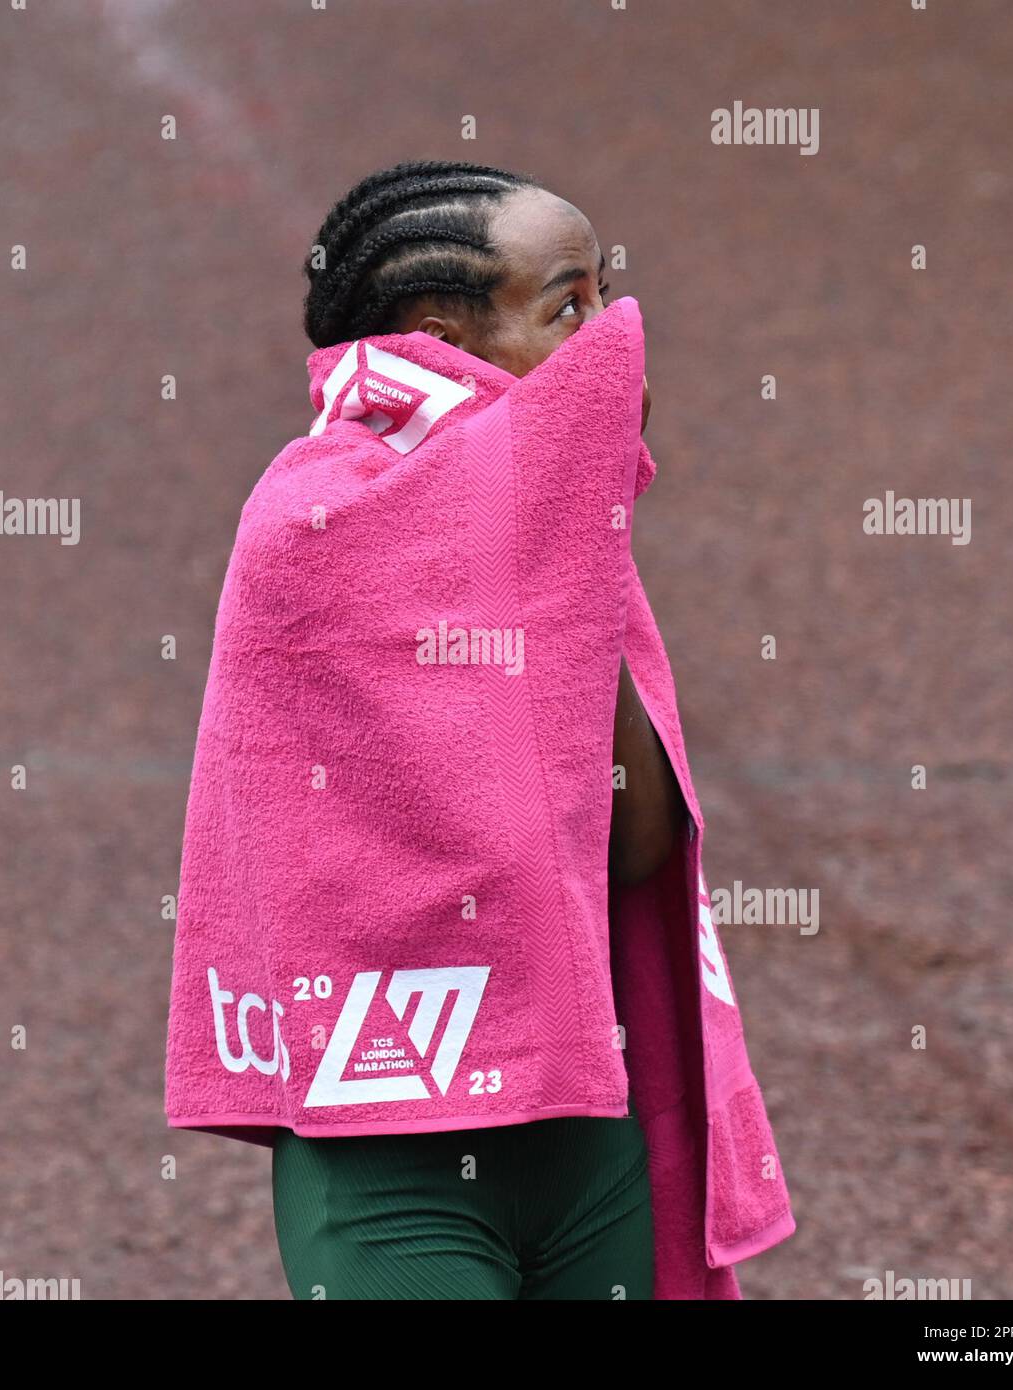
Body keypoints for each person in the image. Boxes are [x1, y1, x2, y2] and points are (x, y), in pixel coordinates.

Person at [269, 160, 686, 1300]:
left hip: (584, 1140)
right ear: (441, 336)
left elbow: (634, 845)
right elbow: (423, 850)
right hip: (389, 1156)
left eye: (607, 296)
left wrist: (576, 561)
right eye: (568, 307)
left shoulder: (567, 532)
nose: (611, 339)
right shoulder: (311, 521)